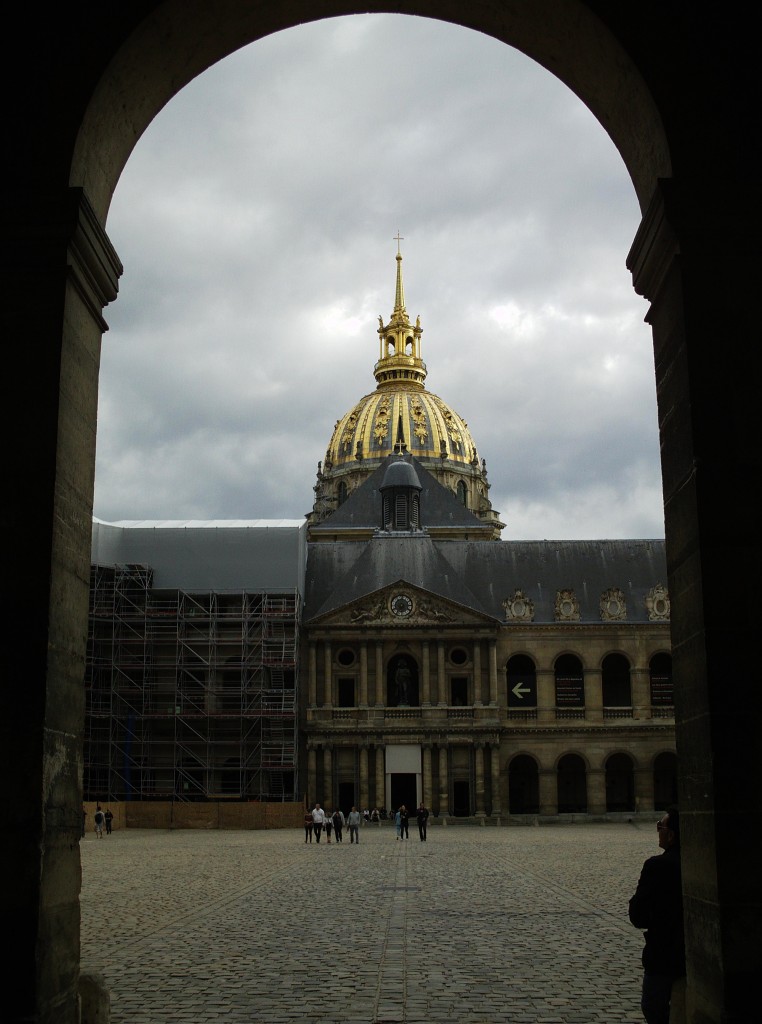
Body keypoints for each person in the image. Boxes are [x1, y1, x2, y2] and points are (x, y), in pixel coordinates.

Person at [628, 806, 686, 1024]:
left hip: (664, 953)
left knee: (654, 1008)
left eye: (660, 827)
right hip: (692, 953)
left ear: (671, 835)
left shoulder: (657, 866)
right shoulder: (700, 860)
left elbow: (638, 915)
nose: (658, 831)